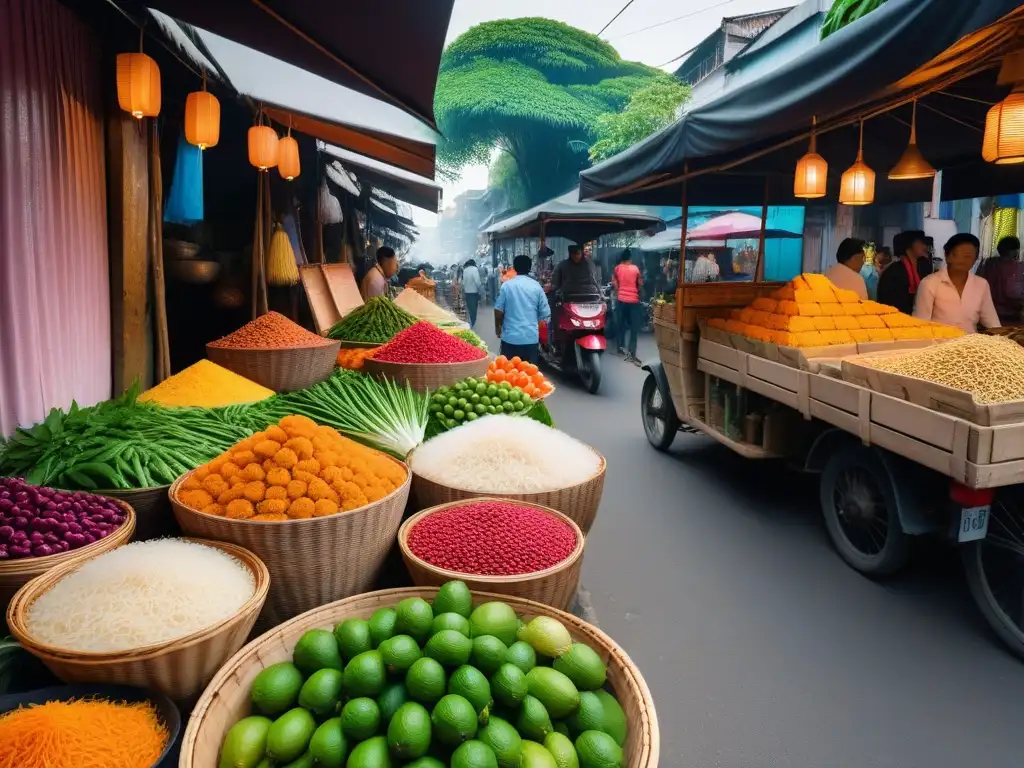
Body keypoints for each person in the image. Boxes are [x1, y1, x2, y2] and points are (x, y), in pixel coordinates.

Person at [914, 233, 999, 334]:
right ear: (947, 256)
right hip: (938, 346)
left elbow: (992, 323)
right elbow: (921, 324)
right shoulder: (929, 284)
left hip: (971, 346)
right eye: (956, 255)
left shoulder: (981, 284)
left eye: (967, 256)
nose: (961, 260)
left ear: (975, 259)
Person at [494, 254, 550, 364]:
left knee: (508, 375)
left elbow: (498, 311)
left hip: (510, 339)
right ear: (530, 268)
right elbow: (545, 314)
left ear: (514, 268)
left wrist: (498, 329)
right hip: (530, 340)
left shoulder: (507, 286)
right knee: (529, 377)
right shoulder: (536, 286)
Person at [877, 230, 932, 314]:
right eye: (920, 243)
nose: (924, 246)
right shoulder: (893, 271)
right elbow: (885, 301)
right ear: (909, 245)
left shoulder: (923, 268)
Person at [981, 235, 1022, 323]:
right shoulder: (1018, 267)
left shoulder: (988, 263)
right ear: (1015, 251)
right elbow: (1014, 293)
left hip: (987, 312)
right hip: (1012, 315)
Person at [612, 250, 644, 364]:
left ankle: (619, 348)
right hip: (633, 301)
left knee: (621, 324)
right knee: (634, 328)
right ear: (630, 258)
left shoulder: (617, 268)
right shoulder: (635, 269)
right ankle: (632, 353)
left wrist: (618, 290)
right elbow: (640, 284)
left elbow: (614, 282)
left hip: (621, 300)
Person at [461, 258, 482, 328]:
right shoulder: (475, 269)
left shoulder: (465, 270)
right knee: (474, 309)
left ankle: (471, 322)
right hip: (474, 292)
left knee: (470, 308)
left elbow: (463, 282)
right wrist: (480, 289)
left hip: (467, 292)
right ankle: (473, 323)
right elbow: (477, 281)